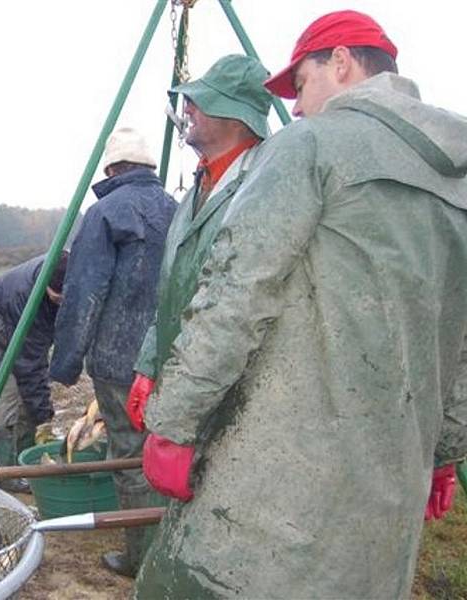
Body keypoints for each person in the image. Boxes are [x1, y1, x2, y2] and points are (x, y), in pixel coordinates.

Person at [134, 11, 467, 599]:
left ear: (340, 62)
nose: (297, 106)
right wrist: (445, 451)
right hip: (387, 500)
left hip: (273, 493)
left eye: (303, 84)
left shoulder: (311, 145)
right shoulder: (458, 176)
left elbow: (234, 291)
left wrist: (175, 423)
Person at [49, 128, 177, 577]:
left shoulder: (105, 212)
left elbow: (85, 292)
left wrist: (65, 363)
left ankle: (143, 558)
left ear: (112, 170)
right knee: (171, 449)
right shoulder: (178, 209)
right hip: (172, 360)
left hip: (120, 364)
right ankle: (170, 548)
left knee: (130, 456)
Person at [128, 54, 273, 436]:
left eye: (200, 101)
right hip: (187, 381)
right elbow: (173, 290)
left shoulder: (265, 188)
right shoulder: (200, 183)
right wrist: (149, 365)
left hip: (239, 399)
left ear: (233, 114)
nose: (187, 108)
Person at [0, 252, 69, 493]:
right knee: (11, 390)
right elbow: (30, 363)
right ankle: (8, 476)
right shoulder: (25, 298)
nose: (61, 301)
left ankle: (25, 461)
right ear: (46, 288)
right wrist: (44, 415)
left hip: (24, 322)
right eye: (57, 298)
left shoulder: (74, 268)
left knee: (31, 394)